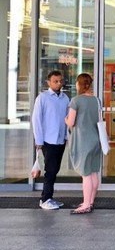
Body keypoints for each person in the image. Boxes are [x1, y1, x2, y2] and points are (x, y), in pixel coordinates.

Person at [32, 70, 69, 211]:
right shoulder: (42, 98)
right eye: (55, 81)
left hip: (60, 140)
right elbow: (36, 119)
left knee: (55, 169)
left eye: (60, 81)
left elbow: (67, 119)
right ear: (49, 82)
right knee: (50, 170)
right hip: (48, 140)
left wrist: (66, 136)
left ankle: (49, 197)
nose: (59, 83)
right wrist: (39, 139)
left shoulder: (65, 98)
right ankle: (45, 199)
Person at [65, 73, 101, 215]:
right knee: (93, 172)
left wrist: (65, 119)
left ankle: (85, 204)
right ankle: (90, 201)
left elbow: (71, 122)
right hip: (96, 139)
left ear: (79, 84)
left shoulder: (76, 101)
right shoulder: (96, 100)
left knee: (85, 175)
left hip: (83, 141)